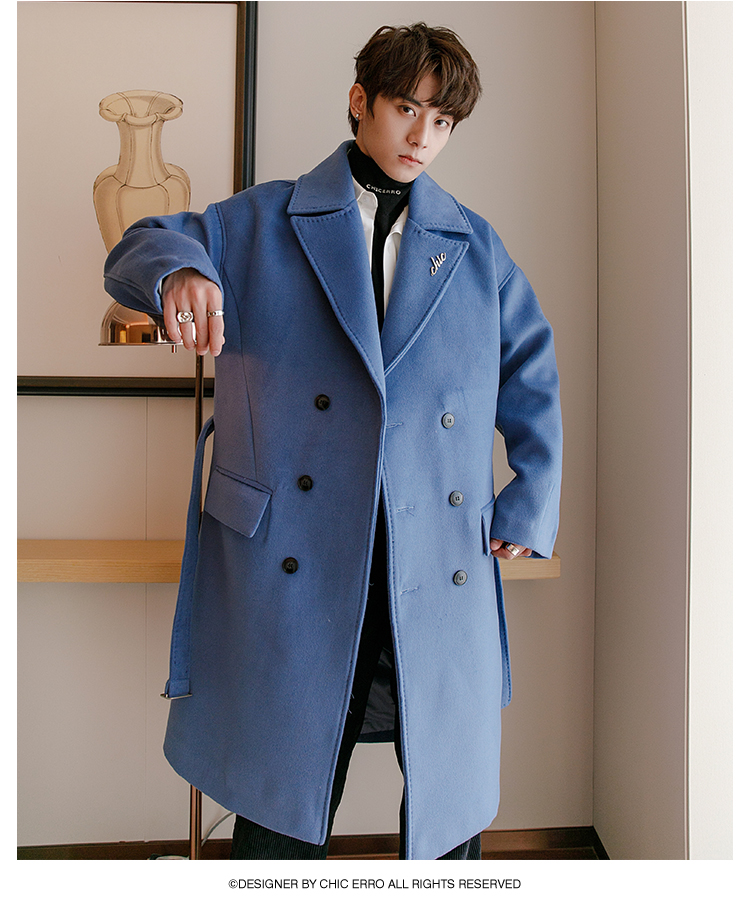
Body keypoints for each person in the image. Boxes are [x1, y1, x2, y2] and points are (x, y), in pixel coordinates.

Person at [104, 23, 562, 861]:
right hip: (299, 552)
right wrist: (181, 271)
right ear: (361, 101)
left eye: (443, 121)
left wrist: (531, 497)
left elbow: (530, 368)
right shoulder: (260, 221)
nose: (423, 136)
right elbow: (139, 245)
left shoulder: (474, 246)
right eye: (407, 109)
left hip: (429, 551)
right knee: (282, 786)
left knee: (447, 796)